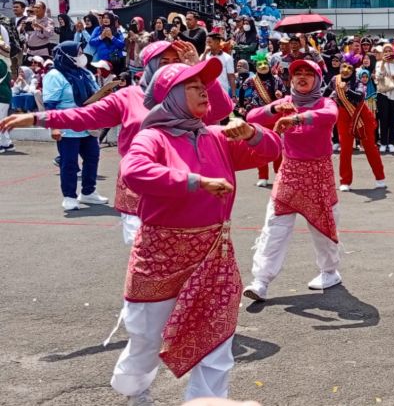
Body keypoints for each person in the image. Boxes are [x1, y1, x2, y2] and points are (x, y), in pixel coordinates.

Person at [114, 59, 282, 405]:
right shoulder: (152, 137)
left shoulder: (216, 136)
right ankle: (134, 390)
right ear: (171, 95)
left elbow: (274, 149)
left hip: (212, 253)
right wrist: (195, 182)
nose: (204, 92)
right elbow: (134, 171)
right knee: (146, 337)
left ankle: (206, 401)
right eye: (193, 87)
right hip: (162, 254)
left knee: (216, 334)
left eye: (204, 86)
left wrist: (253, 133)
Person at [1, 41, 233, 243]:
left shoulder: (190, 93)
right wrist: (37, 118)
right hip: (141, 186)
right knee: (145, 250)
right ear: (149, 66)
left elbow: (222, 110)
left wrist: (197, 71)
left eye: (176, 60)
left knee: (188, 249)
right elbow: (84, 116)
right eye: (164, 61)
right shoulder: (129, 96)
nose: (172, 65)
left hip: (186, 181)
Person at [242, 59, 343, 301]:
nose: (302, 77)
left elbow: (330, 115)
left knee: (322, 227)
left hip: (318, 174)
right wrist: (275, 110)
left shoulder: (324, 102)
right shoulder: (285, 102)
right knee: (275, 225)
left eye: (309, 73)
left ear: (318, 79)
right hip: (289, 172)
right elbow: (252, 117)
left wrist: (297, 119)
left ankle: (330, 272)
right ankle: (261, 280)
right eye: (298, 73)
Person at [40, 41, 106, 210]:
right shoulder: (54, 75)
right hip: (67, 128)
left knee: (92, 158)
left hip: (87, 125)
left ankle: (88, 192)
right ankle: (69, 196)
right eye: (78, 52)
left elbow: (96, 93)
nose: (81, 56)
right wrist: (53, 127)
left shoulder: (84, 73)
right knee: (69, 163)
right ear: (66, 56)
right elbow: (50, 105)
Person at [327, 59, 386, 192]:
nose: (345, 70)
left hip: (360, 116)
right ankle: (345, 181)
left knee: (370, 147)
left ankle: (380, 177)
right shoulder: (334, 80)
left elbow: (359, 96)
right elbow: (325, 92)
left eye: (349, 68)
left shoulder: (358, 82)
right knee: (345, 149)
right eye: (344, 66)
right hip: (343, 116)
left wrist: (347, 90)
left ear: (353, 71)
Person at [242, 52, 285, 187]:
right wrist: (244, 108)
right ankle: (263, 175)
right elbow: (243, 97)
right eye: (259, 64)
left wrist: (280, 95)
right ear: (256, 67)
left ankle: (279, 174)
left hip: (274, 117)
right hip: (257, 117)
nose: (262, 66)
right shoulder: (250, 81)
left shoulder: (277, 79)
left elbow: (285, 94)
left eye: (264, 63)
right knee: (260, 147)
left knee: (277, 145)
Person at [375, 44, 394, 153]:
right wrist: (383, 62)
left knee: (393, 120)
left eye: (390, 51)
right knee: (383, 119)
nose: (388, 53)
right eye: (385, 51)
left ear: (393, 52)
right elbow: (378, 77)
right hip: (383, 94)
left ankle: (392, 142)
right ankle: (383, 142)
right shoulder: (379, 63)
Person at [0, 56, 12, 152]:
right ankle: (6, 143)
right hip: (4, 94)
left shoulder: (0, 63)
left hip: (1, 95)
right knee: (2, 120)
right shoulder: (5, 62)